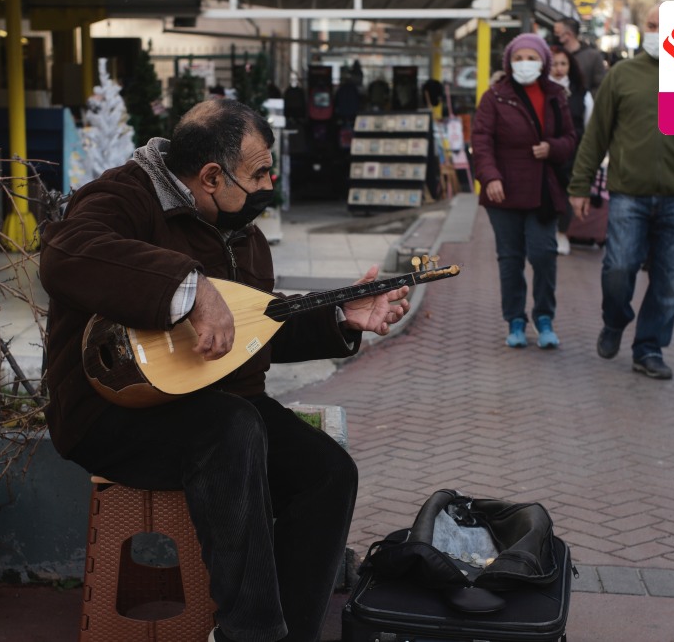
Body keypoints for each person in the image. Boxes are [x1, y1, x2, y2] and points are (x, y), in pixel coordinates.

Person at [39, 99, 411, 642]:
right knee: (232, 430)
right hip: (109, 411)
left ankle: (291, 632)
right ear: (212, 176)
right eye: (259, 172)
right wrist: (189, 289)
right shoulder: (122, 197)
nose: (270, 182)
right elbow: (64, 253)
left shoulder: (244, 233)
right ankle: (249, 632)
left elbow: (253, 329)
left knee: (327, 474)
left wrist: (338, 317)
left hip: (220, 402)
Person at [566, 3, 674, 381]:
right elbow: (597, 135)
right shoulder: (622, 75)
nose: (657, 32)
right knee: (618, 267)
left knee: (670, 280)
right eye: (653, 25)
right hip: (629, 195)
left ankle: (649, 348)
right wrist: (580, 184)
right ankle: (616, 319)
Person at [471, 32, 577, 349]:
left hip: (543, 191)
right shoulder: (494, 97)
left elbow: (571, 138)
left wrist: (553, 147)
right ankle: (515, 320)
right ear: (509, 62)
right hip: (503, 192)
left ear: (543, 61)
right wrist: (490, 177)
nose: (525, 64)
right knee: (510, 258)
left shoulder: (557, 95)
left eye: (531, 58)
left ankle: (544, 317)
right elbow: (481, 141)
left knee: (544, 254)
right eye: (518, 58)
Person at [548, 44, 591, 255]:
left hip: (572, 155)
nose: (558, 68)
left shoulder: (581, 94)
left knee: (566, 194)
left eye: (563, 63)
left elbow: (588, 124)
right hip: (545, 154)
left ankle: (562, 233)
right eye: (554, 63)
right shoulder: (540, 91)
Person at [553, 18, 607, 100]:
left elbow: (600, 86)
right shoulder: (554, 54)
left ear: (568, 34)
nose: (554, 36)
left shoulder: (593, 56)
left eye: (557, 33)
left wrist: (584, 101)